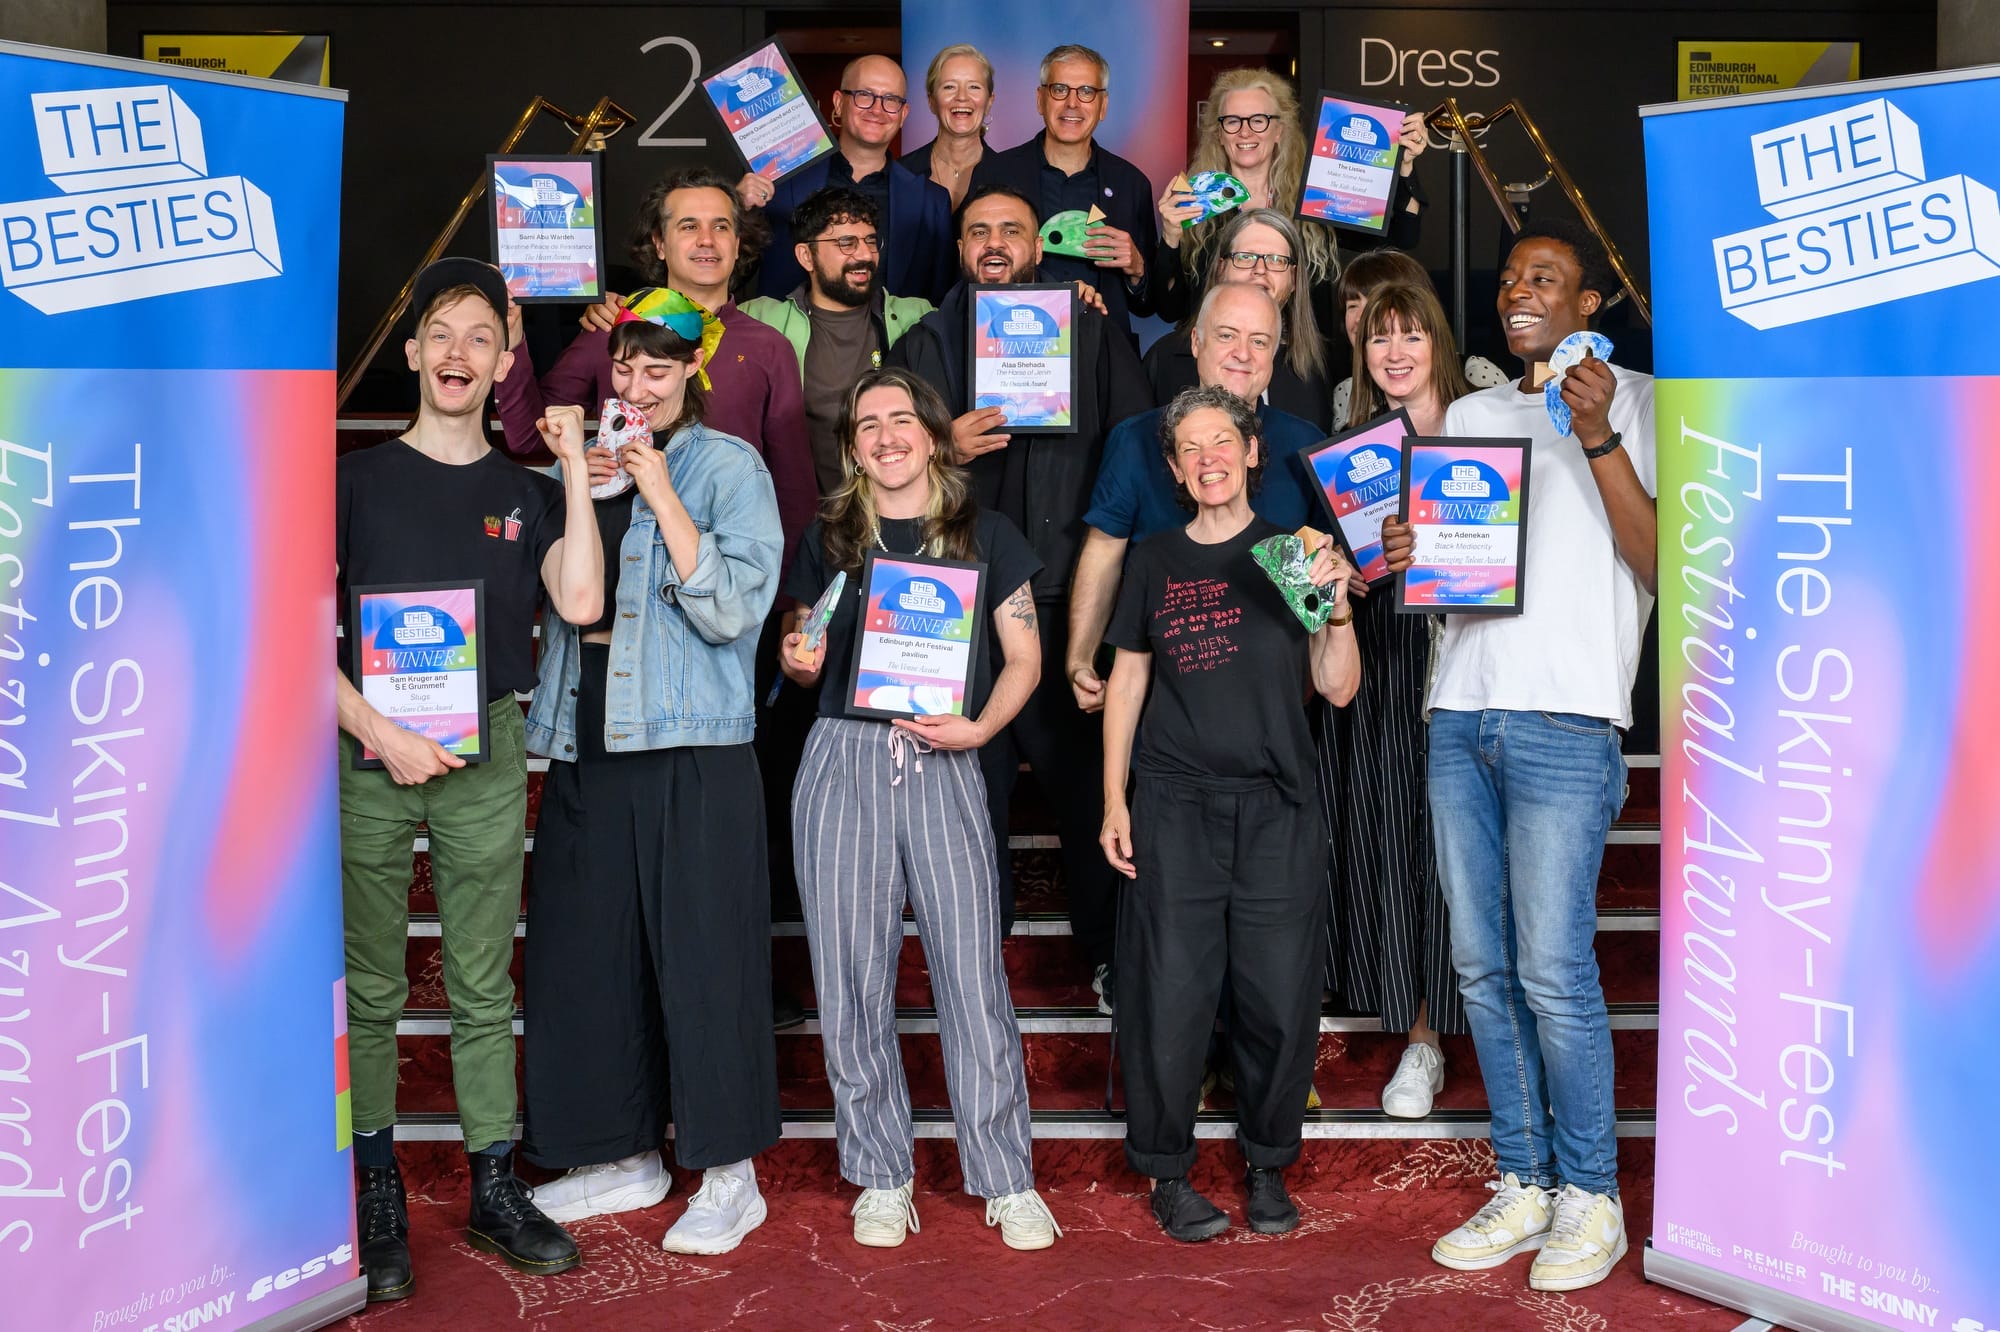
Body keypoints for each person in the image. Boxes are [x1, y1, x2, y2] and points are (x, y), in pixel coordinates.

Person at [1382, 220, 1655, 1292]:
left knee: (1552, 970)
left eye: (1543, 278)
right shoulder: (1471, 411)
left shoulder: (1638, 399)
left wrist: (1595, 435)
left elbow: (1658, 562)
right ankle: (1525, 1181)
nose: (1517, 293)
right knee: (1482, 974)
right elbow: (1454, 570)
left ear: (1589, 302)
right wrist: (1415, 553)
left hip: (1567, 718)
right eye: (1507, 280)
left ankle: (1592, 1199)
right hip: (1459, 711)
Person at [336, 258, 601, 1297]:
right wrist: (376, 729)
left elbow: (577, 603)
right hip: (367, 749)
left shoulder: (522, 492)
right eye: (440, 333)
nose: (457, 353)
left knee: (483, 985)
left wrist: (575, 470)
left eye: (479, 337)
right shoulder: (349, 479)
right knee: (370, 987)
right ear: (410, 353)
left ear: (501, 366)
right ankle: (375, 1190)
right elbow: (285, 630)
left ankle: (492, 1184)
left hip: (483, 752)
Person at [520, 289, 784, 1254]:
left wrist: (661, 488)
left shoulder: (728, 465)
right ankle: (618, 1155)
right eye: (625, 369)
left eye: (658, 369)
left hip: (695, 749)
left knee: (706, 961)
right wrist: (580, 482)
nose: (637, 385)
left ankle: (730, 1173)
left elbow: (733, 612)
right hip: (589, 741)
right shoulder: (578, 470)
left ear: (691, 375)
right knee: (585, 961)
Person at [781, 367, 1061, 1252]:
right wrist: (796, 659)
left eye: (902, 419)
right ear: (852, 445)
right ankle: (880, 1172)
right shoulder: (830, 536)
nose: (886, 435)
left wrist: (979, 728)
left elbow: (1025, 658)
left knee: (972, 976)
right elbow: (804, 651)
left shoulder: (988, 533)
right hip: (843, 755)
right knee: (850, 978)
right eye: (868, 423)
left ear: (933, 435)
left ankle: (1005, 1175)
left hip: (947, 756)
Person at [1100, 385, 1359, 1242]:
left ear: (1251, 451)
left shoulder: (1294, 553)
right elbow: (1128, 681)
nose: (1209, 456)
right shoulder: (1155, 560)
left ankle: (1268, 1165)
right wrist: (1114, 798)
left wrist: (1338, 606)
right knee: (1170, 995)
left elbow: (1338, 685)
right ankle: (1168, 1173)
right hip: (1173, 805)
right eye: (1191, 447)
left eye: (1224, 439)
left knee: (1279, 997)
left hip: (1278, 807)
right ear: (1175, 469)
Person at [889, 182, 1149, 974]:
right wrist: (943, 448)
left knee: (1087, 794)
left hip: (1073, 601)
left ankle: (1108, 961)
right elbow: (881, 466)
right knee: (972, 800)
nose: (995, 242)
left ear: (1039, 247)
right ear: (960, 249)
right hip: (962, 612)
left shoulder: (1092, 332)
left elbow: (1137, 448)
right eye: (979, 232)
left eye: (1013, 230)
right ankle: (978, 965)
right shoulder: (926, 344)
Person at [1317, 281, 1472, 1120]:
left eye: (1411, 333)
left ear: (1437, 342)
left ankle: (1476, 1021)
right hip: (1385, 659)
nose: (1396, 351)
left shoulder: (1492, 431)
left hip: (1484, 660)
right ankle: (1421, 1038)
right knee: (1397, 847)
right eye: (1380, 339)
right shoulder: (1351, 455)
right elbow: (1340, 580)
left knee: (1469, 857)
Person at [496, 165, 816, 569]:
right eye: (687, 226)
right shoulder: (614, 329)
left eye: (720, 227)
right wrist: (512, 334)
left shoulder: (770, 347)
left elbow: (792, 487)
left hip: (730, 574)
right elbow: (529, 435)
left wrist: (793, 601)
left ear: (738, 244)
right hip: (621, 564)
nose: (706, 240)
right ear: (659, 244)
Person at [1070, 281, 1319, 705]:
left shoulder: (1308, 447)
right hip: (1159, 691)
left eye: (1259, 341)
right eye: (1226, 335)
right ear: (1196, 342)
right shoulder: (1135, 439)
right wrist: (1080, 659)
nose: (1243, 353)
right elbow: (1104, 554)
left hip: (1275, 700)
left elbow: (1328, 571)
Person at [1151, 69, 1429, 374]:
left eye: (1259, 120)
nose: (1245, 132)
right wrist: (1171, 236)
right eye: (1232, 121)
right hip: (1224, 370)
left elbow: (1402, 237)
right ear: (1219, 133)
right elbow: (1168, 310)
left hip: (1303, 369)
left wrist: (1404, 166)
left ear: (1279, 130)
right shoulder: (1198, 204)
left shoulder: (1317, 196)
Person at [740, 187, 934, 493]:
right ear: (806, 256)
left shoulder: (918, 316)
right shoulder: (761, 319)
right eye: (846, 242)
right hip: (805, 517)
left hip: (899, 511)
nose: (865, 254)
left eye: (871, 241)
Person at [968, 44, 1157, 337]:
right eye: (1059, 89)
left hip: (1105, 352)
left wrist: (1137, 269)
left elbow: (1147, 306)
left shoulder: (1131, 184)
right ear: (1040, 99)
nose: (1072, 103)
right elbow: (970, 272)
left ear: (1103, 105)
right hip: (1015, 344)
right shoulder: (995, 173)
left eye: (1086, 92)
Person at [739, 55, 956, 305]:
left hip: (896, 343)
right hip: (789, 342)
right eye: (865, 95)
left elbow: (941, 303)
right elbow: (731, 272)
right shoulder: (779, 181)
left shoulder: (931, 202)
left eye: (891, 100)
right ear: (838, 103)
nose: (877, 109)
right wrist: (736, 209)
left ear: (903, 114)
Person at [1142, 208, 1332, 425]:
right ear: (1221, 268)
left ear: (1294, 280)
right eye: (1245, 257)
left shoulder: (1314, 368)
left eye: (1277, 260)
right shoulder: (1163, 358)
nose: (1260, 269)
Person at [1331, 249, 1507, 428]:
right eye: (1380, 340)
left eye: (1412, 338)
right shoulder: (1353, 425)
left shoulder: (1485, 409)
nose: (1395, 355)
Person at [902, 44, 996, 210]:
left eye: (974, 86)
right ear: (931, 101)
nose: (961, 97)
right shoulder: (901, 173)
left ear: (989, 102)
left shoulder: (1009, 175)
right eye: (949, 87)